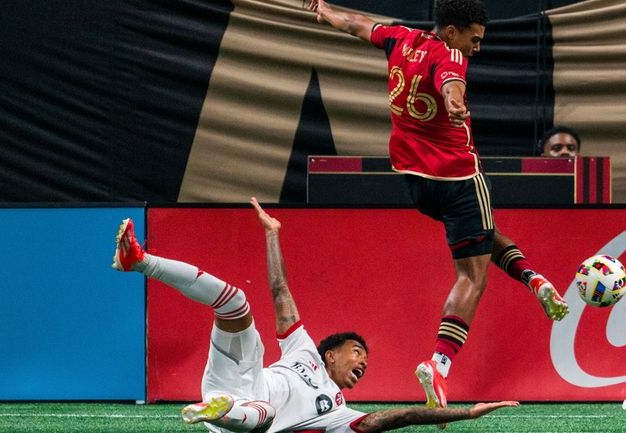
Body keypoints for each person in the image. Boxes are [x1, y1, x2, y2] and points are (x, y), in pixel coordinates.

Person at [309, 0, 569, 415]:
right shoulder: (448, 55)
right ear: (452, 31)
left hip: (415, 182)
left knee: (482, 235)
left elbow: (359, 24)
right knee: (472, 276)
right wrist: (453, 101)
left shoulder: (400, 38)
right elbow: (451, 82)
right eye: (474, 38)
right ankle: (439, 364)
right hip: (458, 177)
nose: (477, 47)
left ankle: (535, 280)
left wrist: (325, 10)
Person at [111, 197, 519, 433]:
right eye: (357, 352)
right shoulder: (301, 349)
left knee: (267, 414)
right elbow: (279, 291)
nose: (363, 362)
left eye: (365, 361)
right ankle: (140, 259)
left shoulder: (341, 411)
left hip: (248, 423)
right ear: (330, 354)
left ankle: (218, 412)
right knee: (235, 302)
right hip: (232, 380)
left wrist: (462, 413)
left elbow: (391, 418)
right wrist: (272, 234)